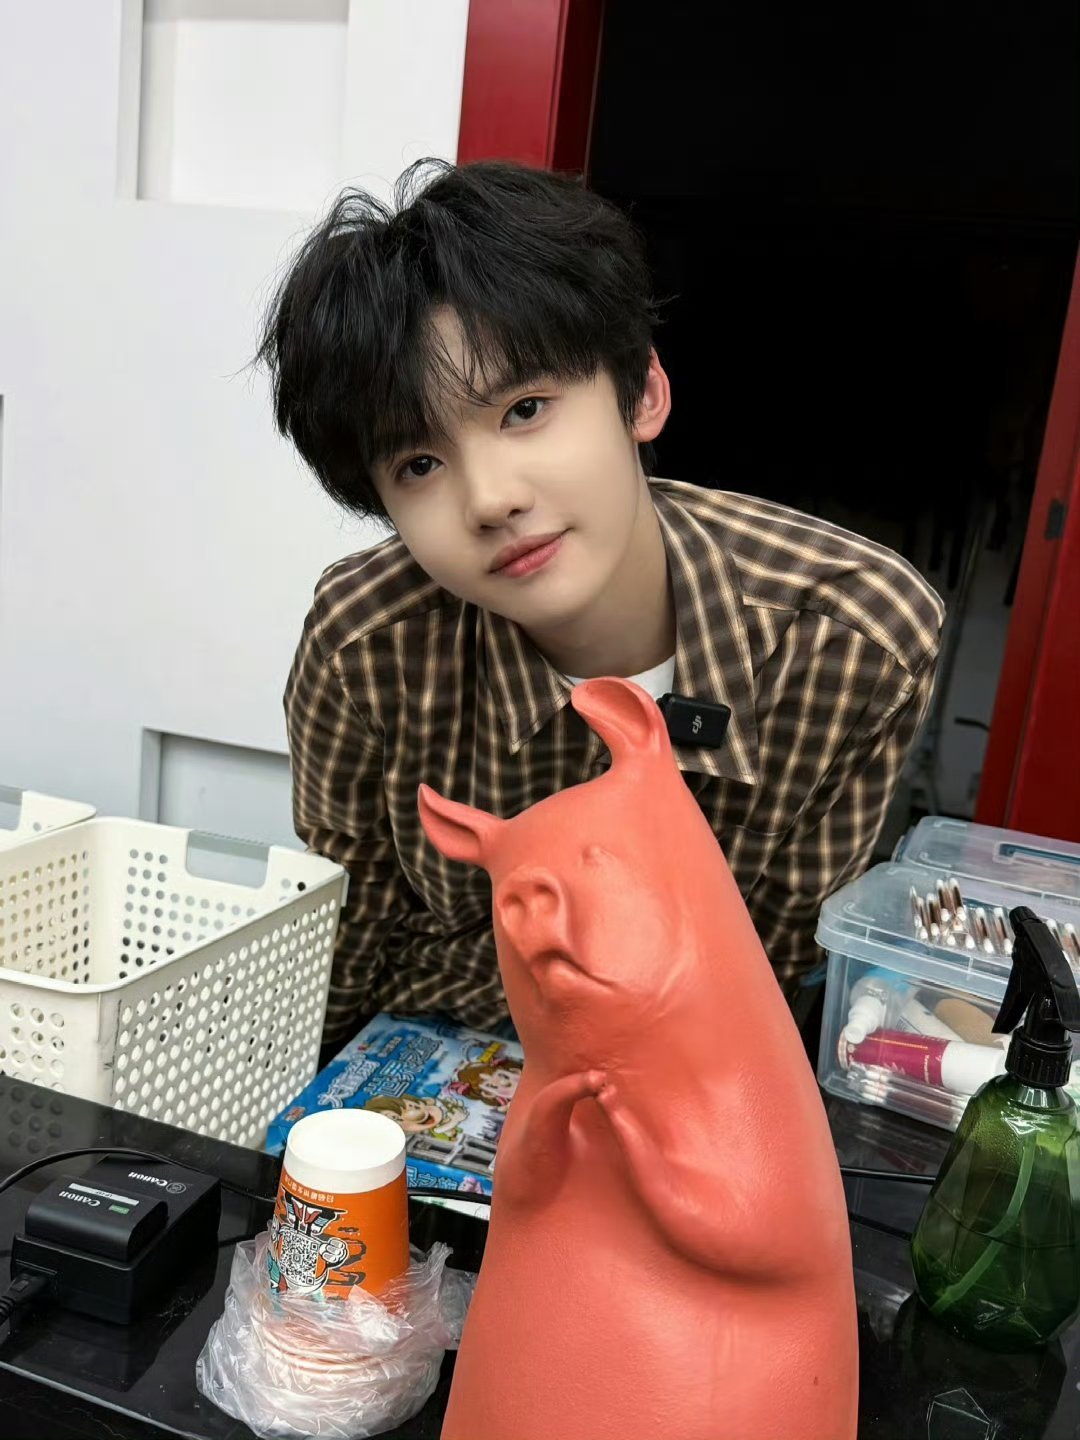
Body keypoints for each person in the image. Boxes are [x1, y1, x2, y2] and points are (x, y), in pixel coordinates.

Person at [259, 159, 943, 1052]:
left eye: (525, 409)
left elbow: (768, 970)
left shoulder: (857, 642)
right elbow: (344, 943)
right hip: (430, 1052)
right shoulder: (364, 645)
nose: (491, 499)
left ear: (642, 394)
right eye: (419, 464)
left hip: (681, 1056)